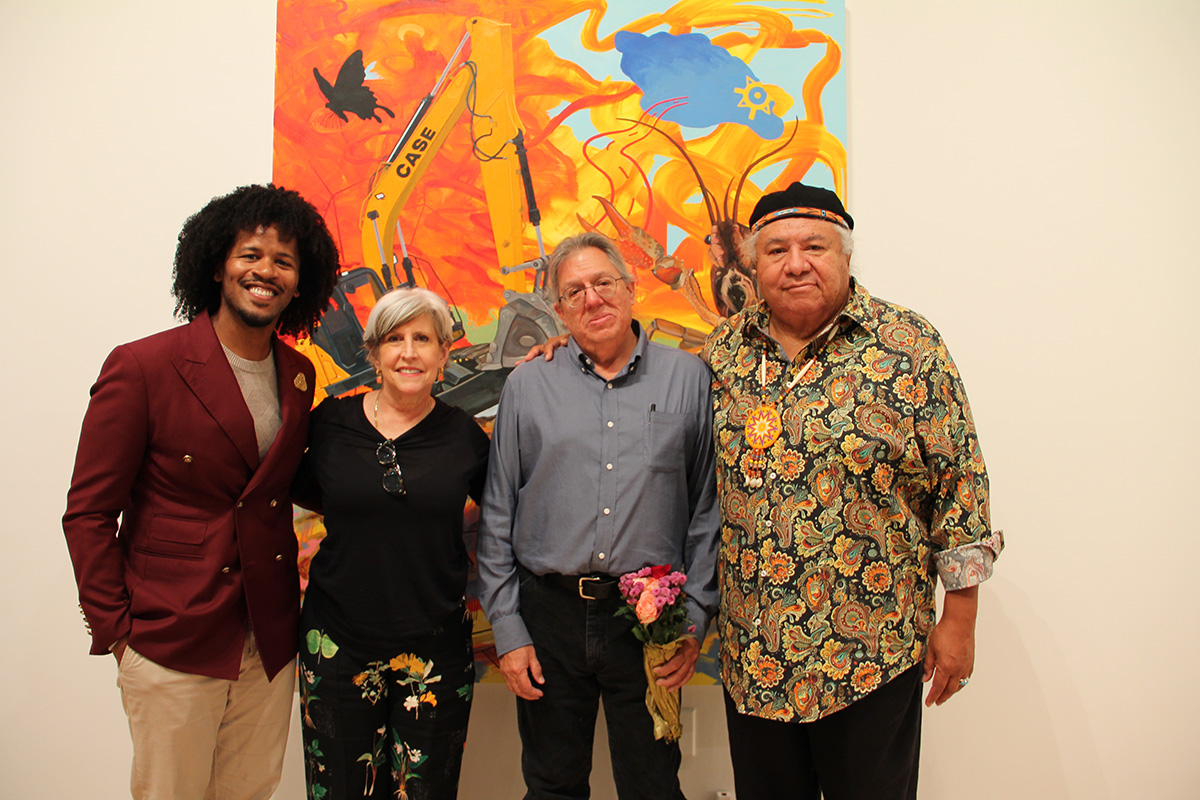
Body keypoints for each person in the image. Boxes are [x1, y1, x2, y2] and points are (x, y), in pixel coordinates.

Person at [702, 182, 1004, 800]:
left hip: (872, 652)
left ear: (844, 256)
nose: (795, 263)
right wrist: (560, 352)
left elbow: (961, 487)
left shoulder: (908, 347)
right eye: (776, 250)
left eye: (814, 245)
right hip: (755, 655)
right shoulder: (722, 353)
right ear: (753, 266)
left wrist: (961, 620)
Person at [62, 184, 341, 800]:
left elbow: (291, 486)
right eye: (251, 255)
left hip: (268, 642)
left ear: (301, 283)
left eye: (285, 262)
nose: (266, 271)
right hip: (170, 639)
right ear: (217, 264)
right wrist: (116, 630)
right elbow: (87, 512)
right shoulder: (142, 367)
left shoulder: (299, 375)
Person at [476, 231, 720, 800]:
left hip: (650, 620)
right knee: (552, 785)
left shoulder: (689, 380)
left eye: (603, 283)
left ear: (631, 289)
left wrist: (696, 617)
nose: (592, 299)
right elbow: (497, 514)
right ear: (559, 310)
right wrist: (509, 632)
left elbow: (706, 513)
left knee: (653, 785)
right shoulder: (528, 384)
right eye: (574, 292)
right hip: (548, 616)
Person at [294, 287, 489, 800]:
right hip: (336, 641)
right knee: (340, 788)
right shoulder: (330, 424)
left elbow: (504, 516)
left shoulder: (464, 436)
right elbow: (307, 493)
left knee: (427, 790)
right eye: (394, 339)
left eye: (423, 338)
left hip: (436, 644)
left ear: (444, 354)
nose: (408, 352)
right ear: (374, 354)